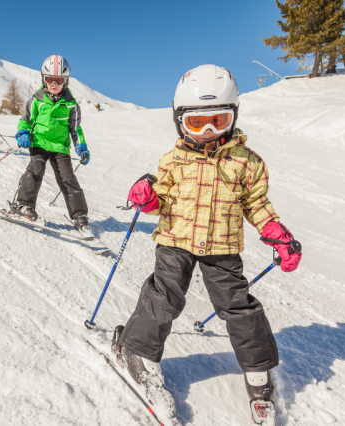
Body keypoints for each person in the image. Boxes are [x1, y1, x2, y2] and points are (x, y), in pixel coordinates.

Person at [113, 65, 302, 423]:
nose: (209, 131)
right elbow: (162, 200)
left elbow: (257, 204)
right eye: (198, 123)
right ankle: (137, 352)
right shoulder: (172, 160)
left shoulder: (248, 163)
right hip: (175, 240)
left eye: (218, 119)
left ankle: (258, 371)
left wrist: (277, 233)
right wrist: (149, 200)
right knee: (163, 297)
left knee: (239, 306)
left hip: (223, 246)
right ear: (180, 120)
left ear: (234, 115)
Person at [8, 55, 91, 234]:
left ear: (66, 81)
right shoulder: (36, 100)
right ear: (43, 79)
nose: (54, 84)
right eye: (49, 79)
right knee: (35, 170)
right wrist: (23, 133)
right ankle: (24, 205)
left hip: (60, 147)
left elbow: (75, 129)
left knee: (68, 178)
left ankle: (80, 215)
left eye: (58, 80)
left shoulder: (71, 105)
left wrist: (81, 146)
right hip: (38, 143)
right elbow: (25, 121)